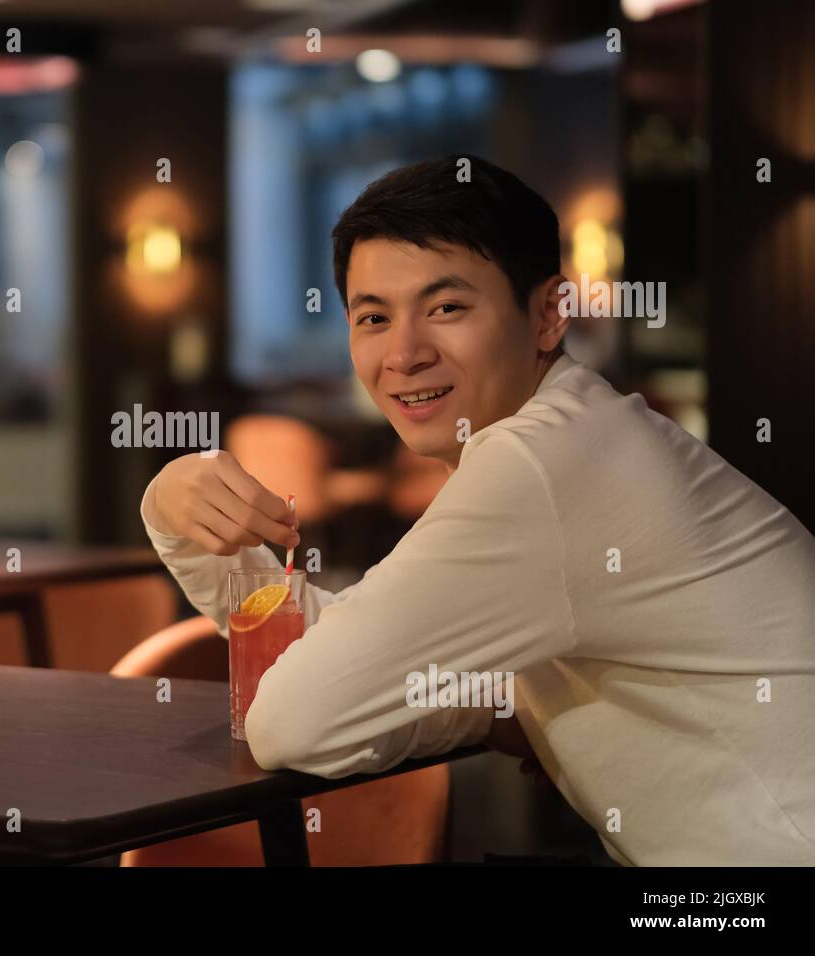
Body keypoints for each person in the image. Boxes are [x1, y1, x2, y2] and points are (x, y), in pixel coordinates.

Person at [140, 156, 815, 866]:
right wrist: (174, 507)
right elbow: (342, 671)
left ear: (549, 314)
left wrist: (493, 704)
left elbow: (293, 721)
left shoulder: (542, 465)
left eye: (447, 308)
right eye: (373, 317)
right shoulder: (579, 432)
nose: (403, 354)